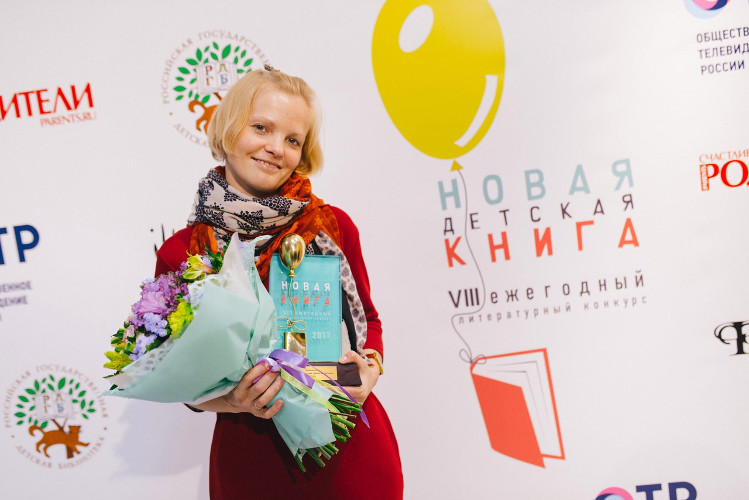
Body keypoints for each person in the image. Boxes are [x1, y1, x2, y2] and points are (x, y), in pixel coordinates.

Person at [154, 67, 404, 499]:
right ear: (229, 127)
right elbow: (178, 377)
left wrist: (370, 369)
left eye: (293, 139)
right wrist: (233, 401)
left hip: (349, 455)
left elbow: (369, 320)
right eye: (261, 128)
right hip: (250, 462)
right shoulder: (182, 252)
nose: (275, 148)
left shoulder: (331, 226)